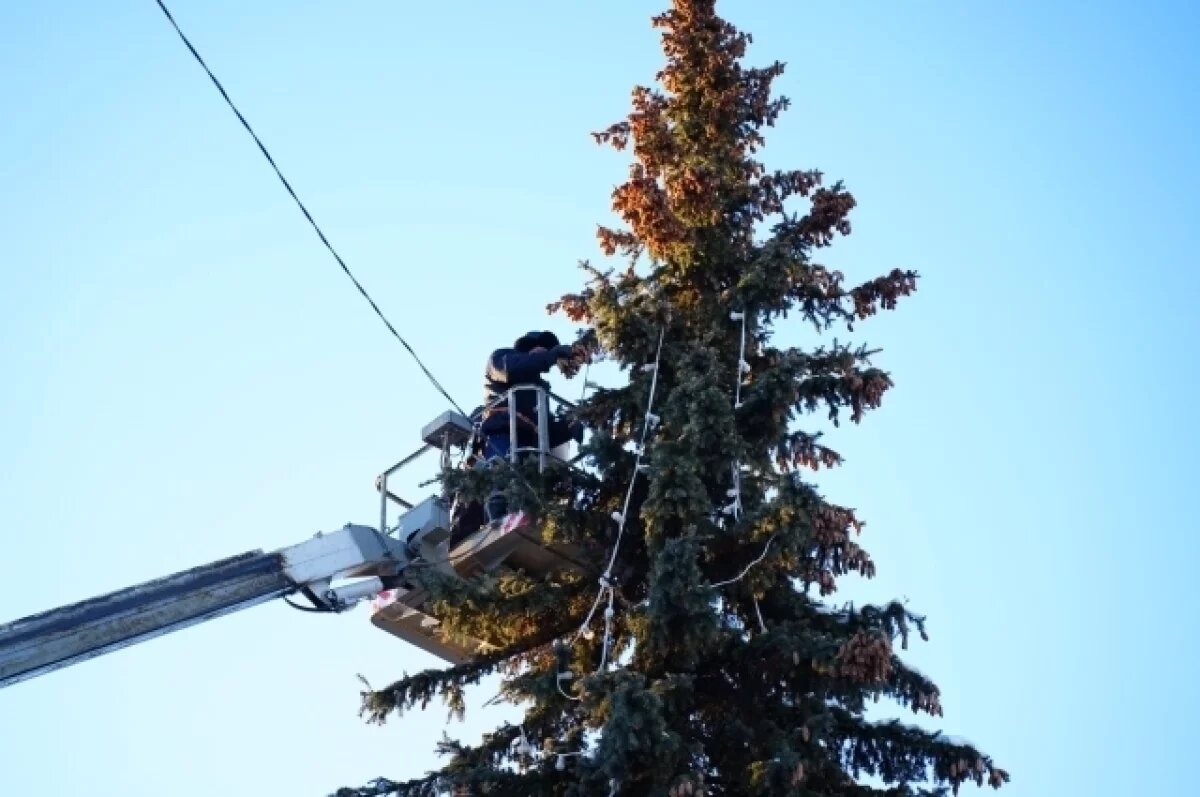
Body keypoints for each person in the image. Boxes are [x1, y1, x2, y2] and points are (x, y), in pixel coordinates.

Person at [475, 330, 583, 522]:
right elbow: (514, 369)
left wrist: (569, 427)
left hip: (529, 443)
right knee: (502, 473)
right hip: (502, 431)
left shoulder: (539, 390)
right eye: (544, 348)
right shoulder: (501, 357)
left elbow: (546, 431)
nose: (546, 354)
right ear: (530, 345)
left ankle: (522, 514)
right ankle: (497, 514)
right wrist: (551, 356)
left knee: (524, 484)